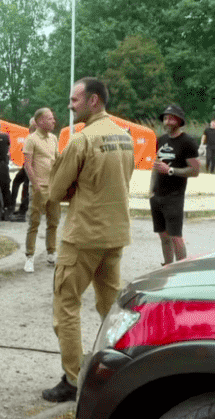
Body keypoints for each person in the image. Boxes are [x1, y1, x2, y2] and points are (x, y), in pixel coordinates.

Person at [43, 77, 135, 402]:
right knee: (111, 307)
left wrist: (72, 187)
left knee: (65, 305)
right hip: (114, 235)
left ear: (93, 100)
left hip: (83, 236)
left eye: (75, 100)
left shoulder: (82, 140)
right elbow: (123, 181)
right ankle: (128, 368)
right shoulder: (125, 138)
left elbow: (55, 191)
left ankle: (73, 379)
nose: (70, 105)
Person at [150, 103, 200, 265]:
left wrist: (170, 170)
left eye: (171, 118)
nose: (167, 121)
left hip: (174, 196)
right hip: (157, 196)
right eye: (165, 118)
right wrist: (151, 191)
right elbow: (156, 167)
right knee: (163, 236)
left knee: (175, 237)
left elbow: (195, 170)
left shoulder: (188, 142)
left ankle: (181, 270)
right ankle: (168, 267)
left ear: (179, 121)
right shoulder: (161, 140)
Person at [22, 108, 60, 273]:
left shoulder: (53, 138)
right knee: (34, 222)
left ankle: (51, 253)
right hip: (39, 187)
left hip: (53, 187)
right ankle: (29, 257)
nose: (53, 121)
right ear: (40, 122)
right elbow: (27, 164)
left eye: (53, 118)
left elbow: (56, 159)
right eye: (50, 119)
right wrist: (36, 185)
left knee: (53, 222)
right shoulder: (31, 139)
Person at [10, 119, 35, 219]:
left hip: (29, 166)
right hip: (26, 166)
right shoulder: (31, 137)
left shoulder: (34, 137)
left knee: (25, 187)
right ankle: (15, 208)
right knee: (17, 182)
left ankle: (22, 213)